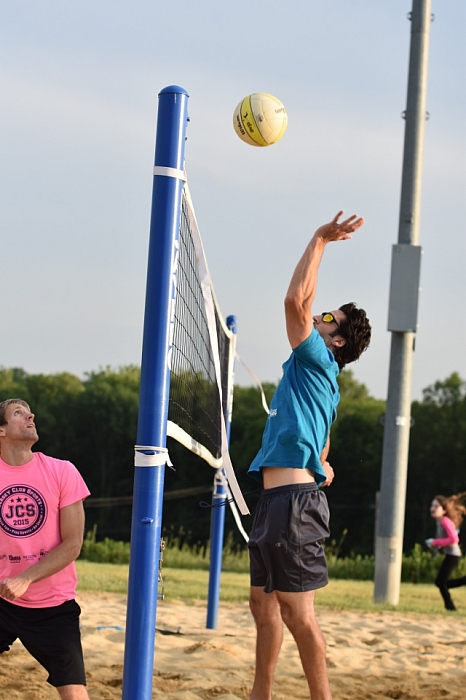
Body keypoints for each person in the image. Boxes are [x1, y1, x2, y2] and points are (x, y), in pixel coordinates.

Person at [247, 211, 371, 700]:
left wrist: (320, 238)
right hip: (280, 501)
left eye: (328, 320)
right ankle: (261, 692)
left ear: (335, 341)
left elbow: (295, 300)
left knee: (299, 615)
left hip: (293, 505)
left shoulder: (317, 359)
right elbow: (322, 444)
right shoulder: (317, 377)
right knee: (263, 606)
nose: (318, 317)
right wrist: (323, 462)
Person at [0, 398, 91, 700]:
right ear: (1, 430)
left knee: (75, 692)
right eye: (18, 413)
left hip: (52, 605)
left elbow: (73, 544)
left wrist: (25, 578)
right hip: (2, 597)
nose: (30, 415)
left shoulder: (62, 471)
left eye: (28, 411)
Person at [425, 493, 466, 611]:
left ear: (443, 510)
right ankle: (450, 606)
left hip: (453, 555)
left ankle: (451, 607)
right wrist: (436, 545)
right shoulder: (440, 522)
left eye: (436, 506)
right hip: (450, 555)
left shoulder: (445, 521)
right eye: (432, 506)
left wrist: (435, 542)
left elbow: (454, 539)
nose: (432, 508)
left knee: (440, 582)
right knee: (440, 582)